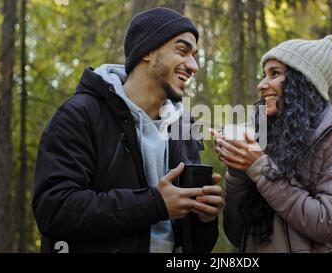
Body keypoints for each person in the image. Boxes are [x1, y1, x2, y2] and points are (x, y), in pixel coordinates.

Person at [33, 7, 223, 253]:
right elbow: (54, 210)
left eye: (194, 55)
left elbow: (197, 246)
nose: (193, 65)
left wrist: (204, 219)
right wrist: (155, 204)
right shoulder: (80, 114)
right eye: (182, 51)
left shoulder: (183, 129)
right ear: (146, 51)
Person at [211, 35, 332, 253]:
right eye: (264, 75)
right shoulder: (266, 138)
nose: (261, 85)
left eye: (275, 73)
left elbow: (324, 221)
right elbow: (236, 234)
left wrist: (259, 168)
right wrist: (239, 169)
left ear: (303, 82)